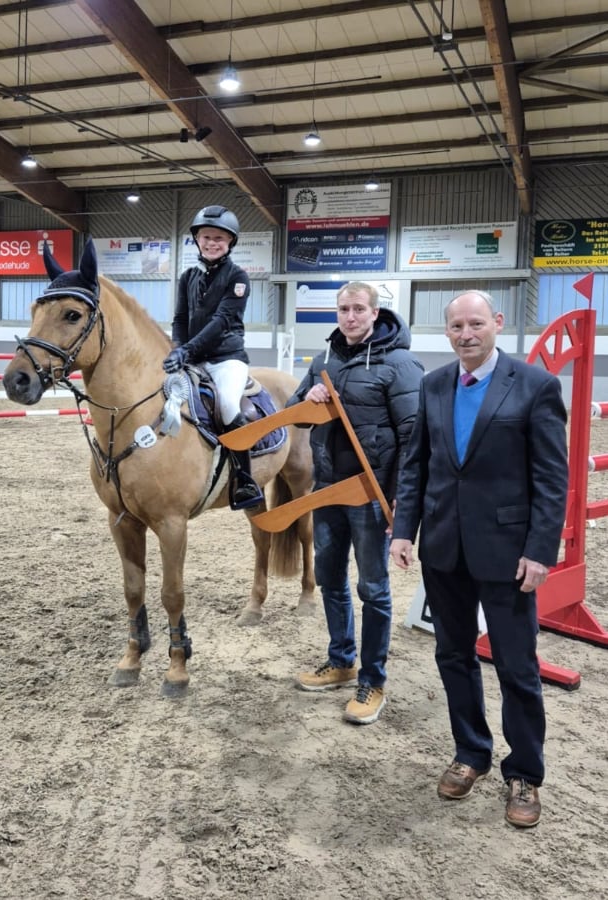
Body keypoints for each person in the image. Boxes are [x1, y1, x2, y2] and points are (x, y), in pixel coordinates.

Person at [390, 290, 568, 828]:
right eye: (456, 327)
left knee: (517, 667)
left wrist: (540, 549)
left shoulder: (536, 385)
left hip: (508, 554)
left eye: (475, 324)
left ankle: (524, 773)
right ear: (446, 333)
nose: (466, 334)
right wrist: (404, 531)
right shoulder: (433, 384)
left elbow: (551, 479)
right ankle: (471, 752)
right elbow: (416, 466)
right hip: (444, 549)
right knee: (454, 657)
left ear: (496, 323)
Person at [290, 282, 424, 725]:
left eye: (358, 309)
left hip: (370, 495)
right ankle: (342, 660)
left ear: (374, 311)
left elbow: (413, 437)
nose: (350, 316)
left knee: (374, 590)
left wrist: (402, 500)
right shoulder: (324, 359)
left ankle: (373, 680)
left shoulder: (399, 363)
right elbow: (295, 410)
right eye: (343, 309)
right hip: (328, 490)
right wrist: (307, 398)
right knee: (330, 579)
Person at [163, 205, 263, 509]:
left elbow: (221, 322)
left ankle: (245, 479)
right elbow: (180, 318)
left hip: (226, 358)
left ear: (230, 242)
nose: (211, 243)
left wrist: (187, 350)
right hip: (191, 357)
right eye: (206, 237)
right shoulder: (187, 276)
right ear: (197, 239)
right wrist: (177, 347)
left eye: (219, 238)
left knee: (229, 405)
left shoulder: (238, 277)